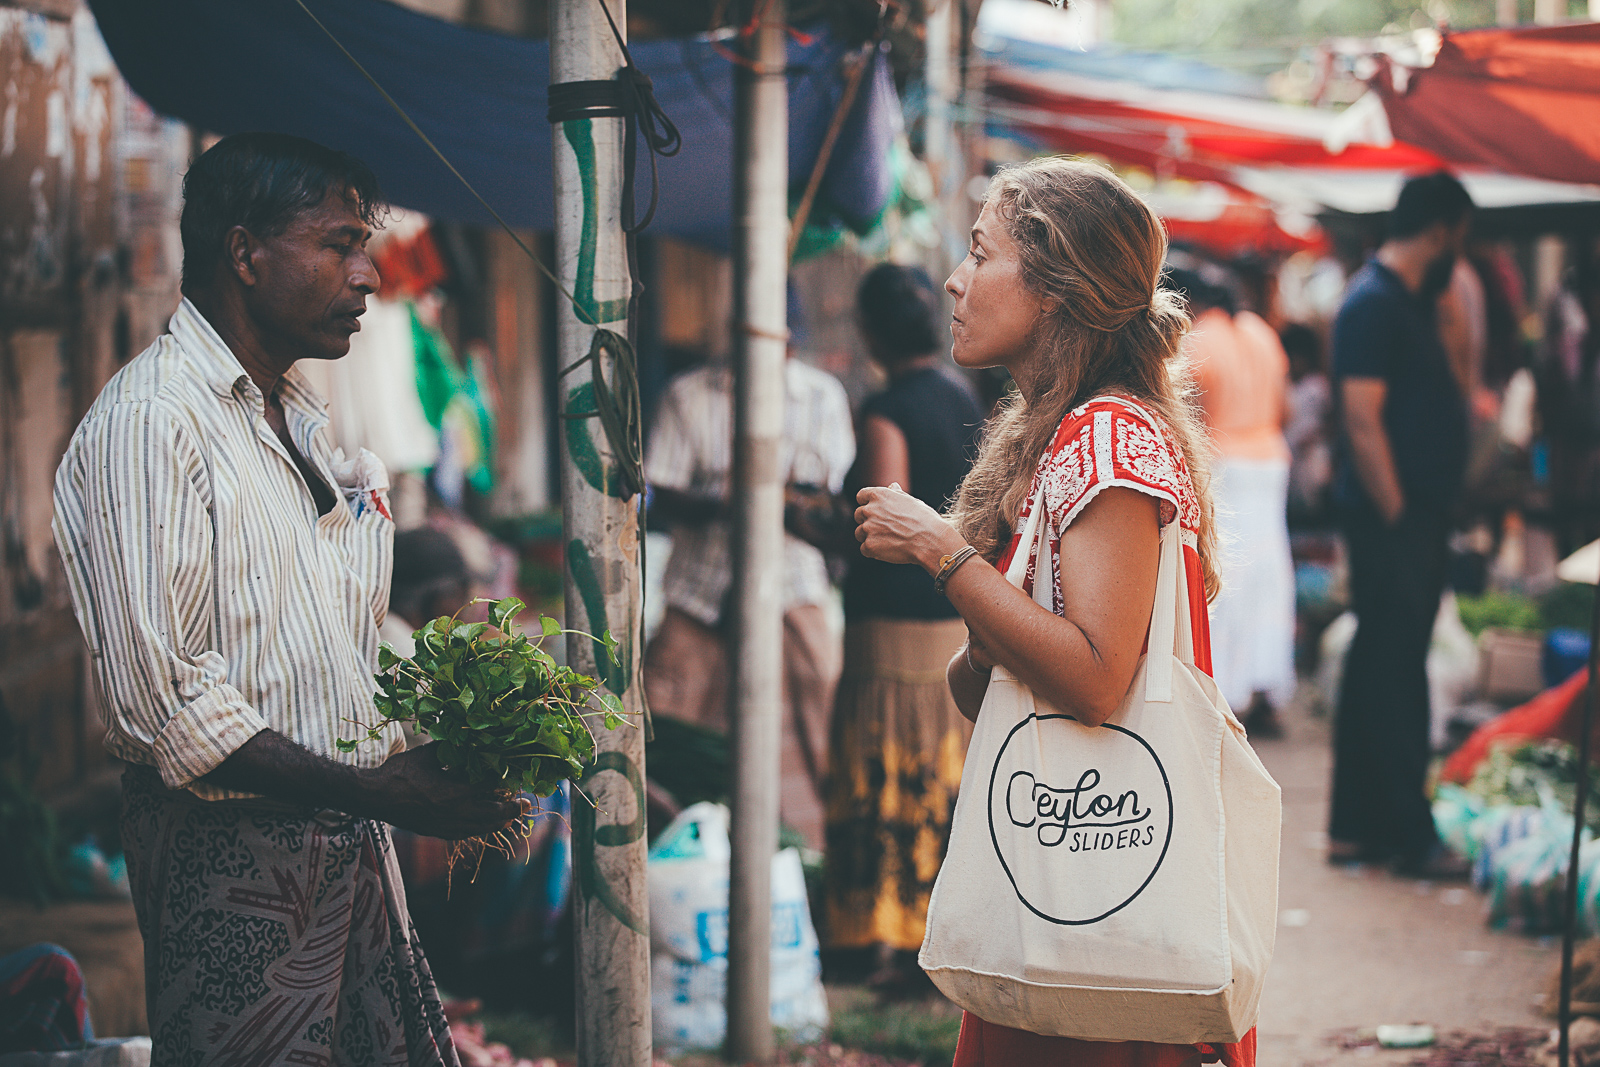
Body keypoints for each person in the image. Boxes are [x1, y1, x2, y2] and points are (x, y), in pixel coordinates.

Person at [52, 132, 524, 1066]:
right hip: (231, 858)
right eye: (340, 244)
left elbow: (318, 654)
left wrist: (436, 744)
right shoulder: (153, 424)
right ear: (244, 253)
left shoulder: (298, 416)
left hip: (347, 840)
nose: (368, 276)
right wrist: (378, 787)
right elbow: (171, 707)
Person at [853, 158, 1251, 1066]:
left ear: (1058, 286)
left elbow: (1099, 678)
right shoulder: (1058, 431)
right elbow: (986, 686)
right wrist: (984, 609)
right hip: (1067, 866)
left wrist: (940, 551)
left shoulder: (1108, 434)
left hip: (1101, 880)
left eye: (980, 253)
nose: (954, 279)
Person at [823, 264, 985, 990]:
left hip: (890, 626)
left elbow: (880, 523)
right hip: (951, 614)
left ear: (871, 333)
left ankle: (869, 935)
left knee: (881, 772)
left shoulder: (886, 407)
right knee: (942, 780)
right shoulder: (964, 396)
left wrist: (807, 514)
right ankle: (937, 937)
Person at [643, 346, 855, 848]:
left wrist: (773, 497)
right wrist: (723, 498)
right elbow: (663, 488)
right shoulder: (689, 395)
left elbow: (830, 497)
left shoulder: (821, 396)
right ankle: (680, 845)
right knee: (670, 726)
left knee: (818, 728)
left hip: (792, 589)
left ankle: (811, 856)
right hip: (699, 595)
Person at [1329, 170, 1475, 876]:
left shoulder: (1411, 301)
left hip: (1408, 517)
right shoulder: (1373, 304)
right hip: (1394, 519)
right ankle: (1402, 832)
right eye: (1461, 238)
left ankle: (1359, 826)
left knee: (1380, 667)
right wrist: (1399, 514)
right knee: (1394, 674)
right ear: (1442, 229)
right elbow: (1362, 419)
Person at [1176, 270, 1296, 738]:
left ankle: (1228, 690)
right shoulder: (1262, 335)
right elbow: (1283, 408)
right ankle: (1267, 685)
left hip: (1226, 465)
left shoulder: (1200, 341)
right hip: (1271, 463)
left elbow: (1192, 417)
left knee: (1226, 580)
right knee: (1271, 578)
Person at [1280, 323, 1332, 517]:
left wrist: (1316, 435)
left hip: (1313, 451)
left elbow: (1331, 421)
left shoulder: (1317, 386)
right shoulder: (1287, 387)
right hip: (1291, 448)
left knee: (1313, 487)